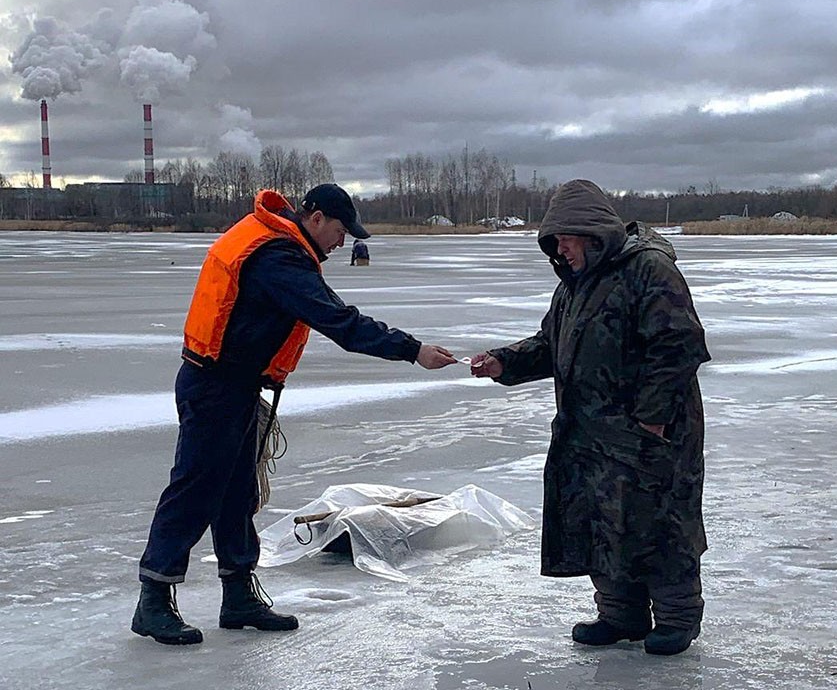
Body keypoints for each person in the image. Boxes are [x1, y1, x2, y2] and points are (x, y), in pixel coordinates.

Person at [133, 183, 457, 646]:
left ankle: (239, 594)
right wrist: (412, 350)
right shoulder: (280, 258)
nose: (343, 242)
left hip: (233, 384)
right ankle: (154, 599)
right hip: (215, 386)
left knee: (237, 493)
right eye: (341, 231)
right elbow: (339, 321)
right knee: (197, 489)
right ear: (317, 217)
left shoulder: (278, 244)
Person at [470, 179, 710, 656]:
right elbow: (549, 344)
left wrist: (653, 420)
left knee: (661, 523)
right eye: (554, 241)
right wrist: (504, 362)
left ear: (592, 233)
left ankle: (678, 617)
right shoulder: (573, 287)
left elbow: (678, 345)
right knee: (604, 521)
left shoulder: (649, 270)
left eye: (565, 239)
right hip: (589, 431)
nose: (559, 249)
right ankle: (620, 614)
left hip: (650, 433)